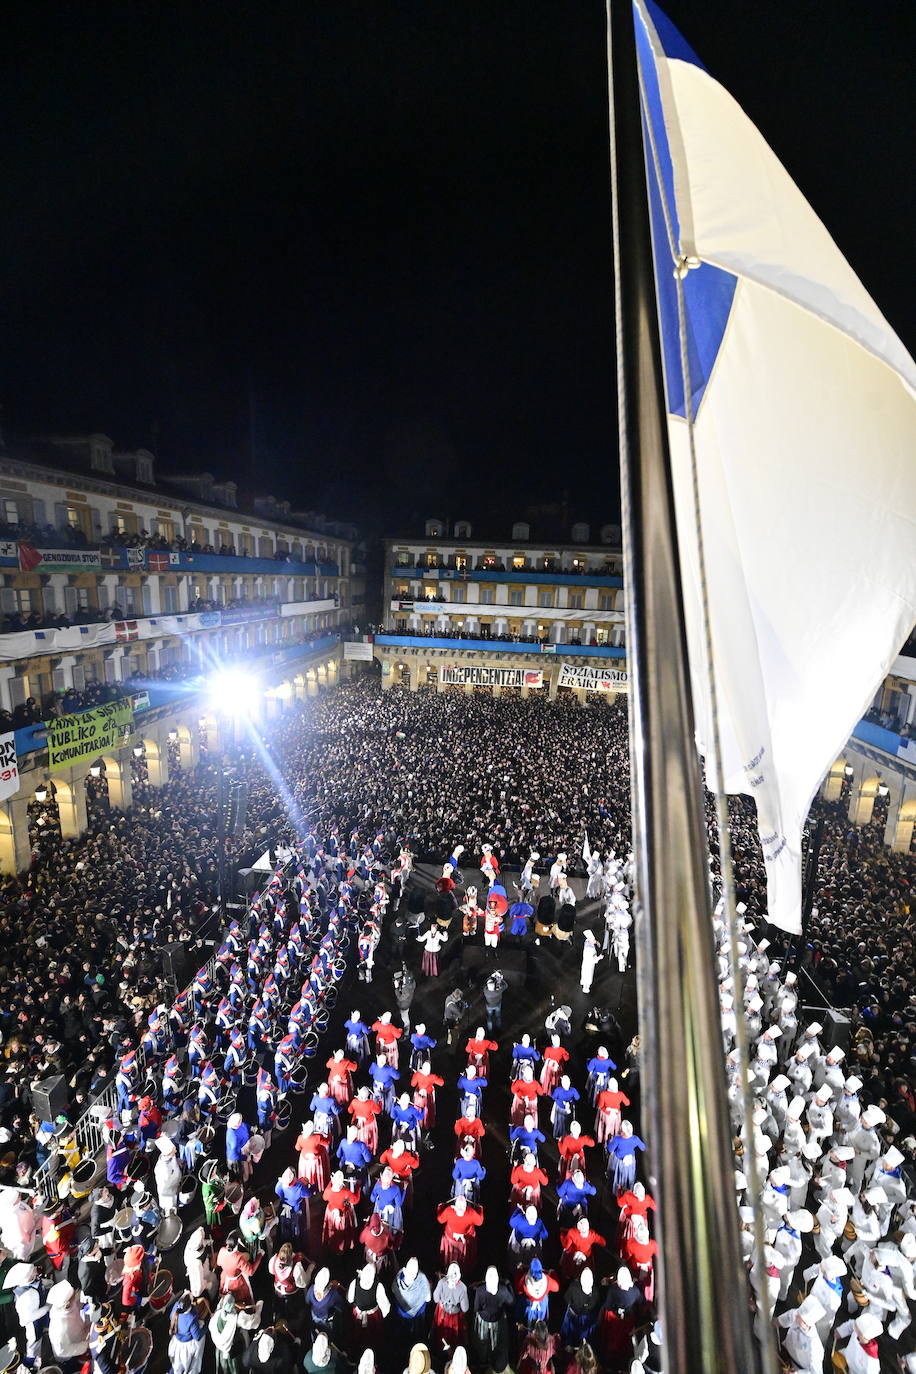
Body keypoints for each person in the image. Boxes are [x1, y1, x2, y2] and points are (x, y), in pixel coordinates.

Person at [472, 1267, 514, 1374]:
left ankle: (483, 1359)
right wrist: (508, 1285)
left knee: (482, 1340)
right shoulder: (503, 1290)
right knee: (496, 1340)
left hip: (483, 1319)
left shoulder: (480, 1291)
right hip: (498, 1320)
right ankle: (495, 1358)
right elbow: (511, 1302)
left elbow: (476, 1307)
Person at [209, 1293, 263, 1374]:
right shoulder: (237, 1318)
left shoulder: (217, 1314)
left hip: (220, 1349)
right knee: (235, 1368)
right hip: (233, 1349)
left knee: (223, 1368)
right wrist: (258, 1308)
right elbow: (255, 1323)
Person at [168, 1291, 210, 1374]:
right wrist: (206, 1327)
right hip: (187, 1347)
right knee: (189, 1366)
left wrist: (185, 1295)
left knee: (176, 1365)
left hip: (176, 1342)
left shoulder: (176, 1307)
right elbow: (197, 1336)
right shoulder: (191, 1317)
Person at [432, 1263, 469, 1355]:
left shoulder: (442, 1282)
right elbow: (465, 1308)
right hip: (454, 1315)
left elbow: (436, 1299)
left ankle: (442, 1351)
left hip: (444, 1313)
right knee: (454, 1334)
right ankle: (451, 1352)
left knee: (442, 1332)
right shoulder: (462, 1287)